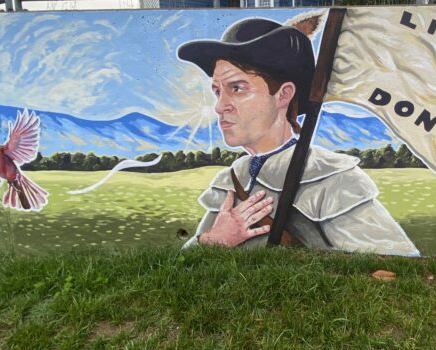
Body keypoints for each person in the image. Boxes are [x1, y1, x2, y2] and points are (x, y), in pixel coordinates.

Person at [177, 16, 419, 256]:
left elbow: (395, 262)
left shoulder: (330, 178)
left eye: (237, 88)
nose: (220, 106)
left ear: (283, 95)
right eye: (218, 91)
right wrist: (213, 241)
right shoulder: (229, 180)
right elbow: (182, 270)